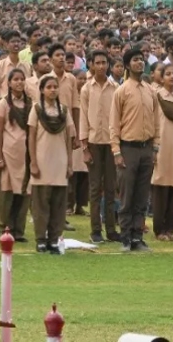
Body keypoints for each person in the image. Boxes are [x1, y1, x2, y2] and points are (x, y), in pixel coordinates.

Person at [110, 47, 160, 253]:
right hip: (128, 148)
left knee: (141, 197)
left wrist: (155, 147)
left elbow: (157, 122)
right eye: (136, 60)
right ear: (128, 65)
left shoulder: (151, 91)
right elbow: (114, 124)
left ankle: (138, 237)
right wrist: (116, 151)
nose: (140, 63)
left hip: (146, 148)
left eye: (142, 59)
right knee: (126, 196)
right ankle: (125, 238)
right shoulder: (121, 91)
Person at [27, 75, 74, 255]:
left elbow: (69, 139)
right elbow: (31, 137)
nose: (53, 90)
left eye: (55, 87)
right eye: (49, 87)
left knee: (58, 205)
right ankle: (40, 239)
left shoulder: (63, 110)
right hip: (41, 161)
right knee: (41, 205)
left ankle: (54, 240)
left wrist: (70, 163)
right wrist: (33, 162)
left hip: (60, 162)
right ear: (42, 90)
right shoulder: (37, 109)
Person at [78, 50, 120, 243]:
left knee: (111, 187)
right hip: (94, 143)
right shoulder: (86, 89)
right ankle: (96, 230)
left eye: (104, 63)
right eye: (98, 63)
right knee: (95, 189)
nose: (101, 66)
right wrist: (84, 148)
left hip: (111, 143)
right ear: (91, 65)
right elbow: (83, 119)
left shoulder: (115, 87)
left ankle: (111, 230)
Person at [0, 68, 31, 242]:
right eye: (15, 79)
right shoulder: (3, 104)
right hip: (9, 154)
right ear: (9, 83)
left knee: (24, 194)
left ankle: (19, 230)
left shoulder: (30, 104)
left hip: (26, 155)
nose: (19, 82)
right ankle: (5, 228)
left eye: (21, 79)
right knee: (6, 194)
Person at [151, 63, 173, 242]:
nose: (172, 77)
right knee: (161, 189)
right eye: (168, 74)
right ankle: (159, 230)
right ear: (162, 77)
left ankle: (170, 229)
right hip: (161, 147)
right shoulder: (156, 97)